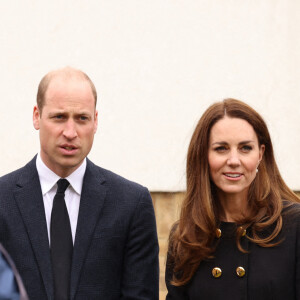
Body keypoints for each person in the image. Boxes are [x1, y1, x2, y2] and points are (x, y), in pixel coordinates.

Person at [0, 67, 159, 300]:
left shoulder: (131, 204)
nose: (70, 132)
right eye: (59, 117)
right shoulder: (3, 201)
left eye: (82, 118)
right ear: (36, 116)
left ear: (95, 121)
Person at [165, 98, 300, 300]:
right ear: (203, 155)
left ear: (261, 154)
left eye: (245, 148)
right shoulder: (186, 237)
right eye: (221, 148)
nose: (234, 161)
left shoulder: (294, 225)